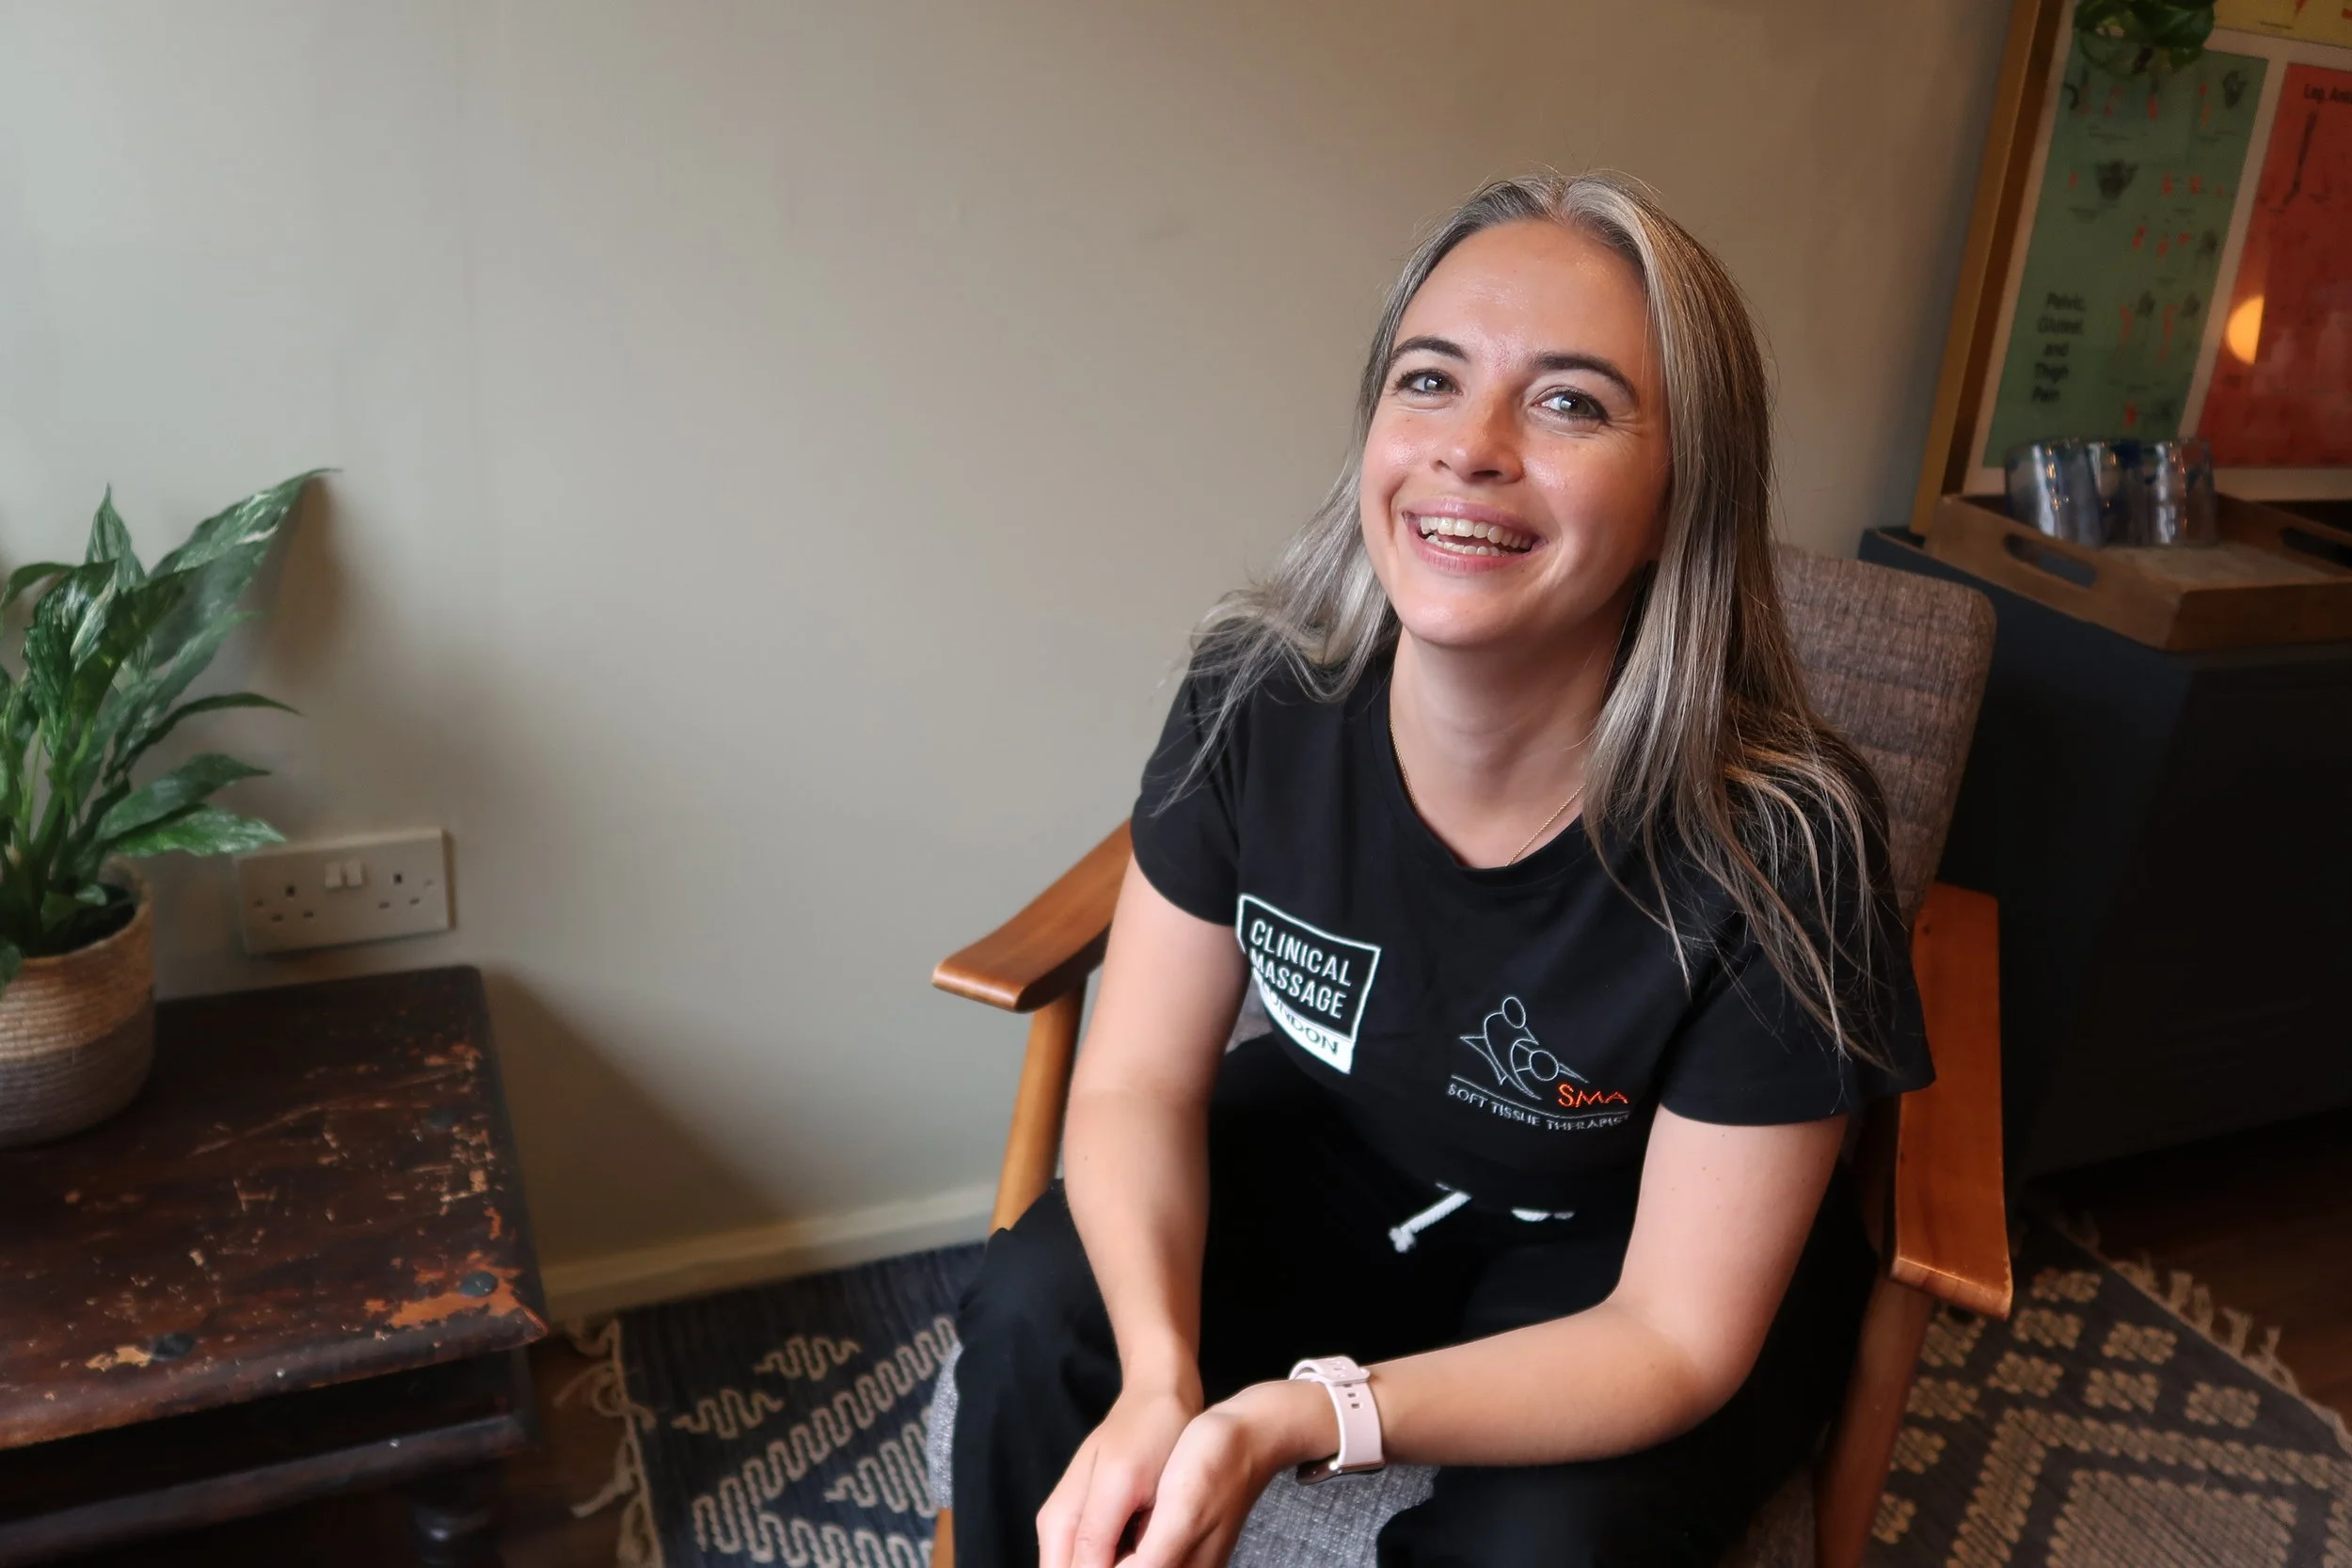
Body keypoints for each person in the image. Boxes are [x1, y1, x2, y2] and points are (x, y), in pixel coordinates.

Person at [950, 170, 1932, 1568]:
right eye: (1430, 380)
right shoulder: (1255, 696)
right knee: (1046, 1305)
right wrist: (1167, 1377)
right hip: (1356, 1150)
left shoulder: (1784, 848)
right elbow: (1132, 1083)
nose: (1471, 446)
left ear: (1678, 500)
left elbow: (1674, 1332)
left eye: (1572, 402)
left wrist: (1301, 1416)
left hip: (1629, 1247)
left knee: (1547, 1545)